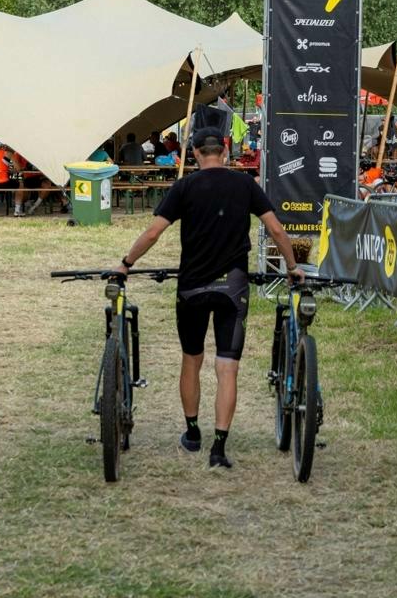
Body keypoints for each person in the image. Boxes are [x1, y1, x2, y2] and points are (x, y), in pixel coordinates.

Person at [115, 106, 302, 470]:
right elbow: (277, 230)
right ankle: (219, 446)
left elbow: (154, 232)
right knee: (227, 368)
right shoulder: (245, 184)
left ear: (196, 154)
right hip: (233, 287)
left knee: (192, 360)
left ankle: (193, 432)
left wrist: (125, 264)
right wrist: (292, 267)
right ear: (226, 152)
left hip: (192, 288)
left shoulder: (184, 187)